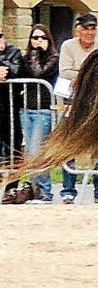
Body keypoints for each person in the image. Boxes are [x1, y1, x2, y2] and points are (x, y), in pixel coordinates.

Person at [59, 13, 98, 204]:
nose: (90, 32)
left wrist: (81, 73)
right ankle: (68, 191)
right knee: (69, 146)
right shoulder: (68, 46)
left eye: (93, 28)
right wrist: (90, 73)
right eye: (86, 28)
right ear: (78, 30)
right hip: (72, 103)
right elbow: (64, 72)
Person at [15, 24, 58, 203]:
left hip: (43, 109)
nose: (38, 41)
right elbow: (18, 75)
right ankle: (35, 189)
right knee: (29, 152)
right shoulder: (25, 59)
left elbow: (39, 73)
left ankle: (45, 191)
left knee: (36, 151)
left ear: (48, 40)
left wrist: (37, 54)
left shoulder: (53, 58)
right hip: (26, 109)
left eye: (42, 37)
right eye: (35, 38)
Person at [0, 29, 23, 203]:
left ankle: (12, 187)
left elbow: (14, 70)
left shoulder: (14, 51)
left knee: (13, 147)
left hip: (10, 106)